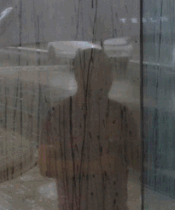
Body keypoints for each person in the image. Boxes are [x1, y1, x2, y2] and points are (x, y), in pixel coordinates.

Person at [39, 48, 139, 210]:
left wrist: (124, 141)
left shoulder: (121, 113)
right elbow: (46, 166)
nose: (107, 79)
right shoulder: (60, 115)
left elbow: (139, 163)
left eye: (108, 71)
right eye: (99, 72)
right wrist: (95, 166)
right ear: (79, 76)